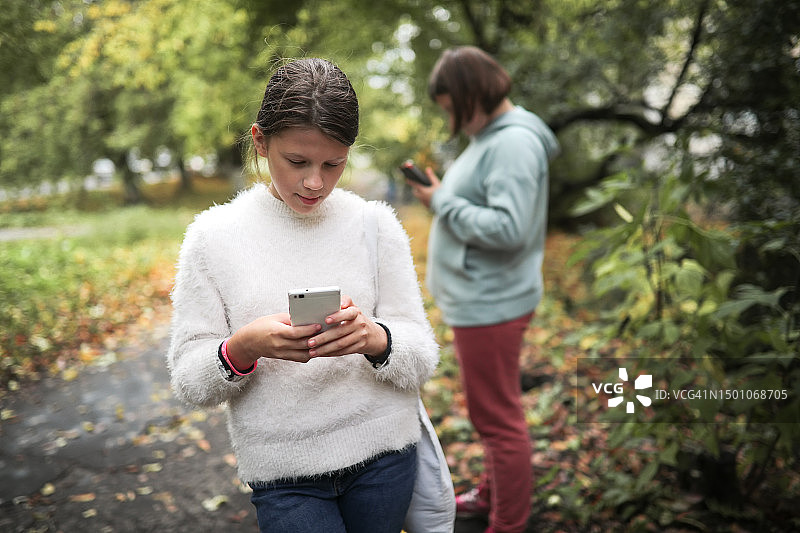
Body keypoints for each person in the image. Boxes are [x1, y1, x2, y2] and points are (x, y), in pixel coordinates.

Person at [167, 57, 440, 533]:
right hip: (284, 475)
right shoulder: (212, 238)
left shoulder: (375, 226)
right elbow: (189, 381)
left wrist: (377, 340)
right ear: (260, 141)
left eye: (333, 164)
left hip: (385, 456)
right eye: (297, 162)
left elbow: (423, 353)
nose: (315, 182)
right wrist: (242, 348)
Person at [405, 46, 560, 533]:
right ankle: (492, 495)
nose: (450, 117)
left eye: (451, 107)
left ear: (472, 94)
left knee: (497, 419)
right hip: (484, 298)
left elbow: (508, 228)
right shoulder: (493, 137)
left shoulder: (512, 143)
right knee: (492, 410)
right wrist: (443, 196)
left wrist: (443, 200)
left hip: (492, 303)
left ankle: (508, 524)